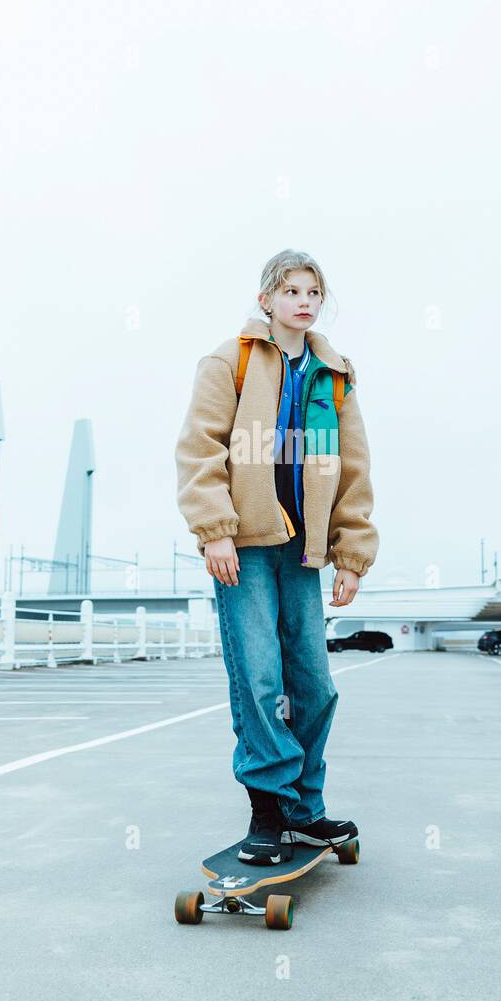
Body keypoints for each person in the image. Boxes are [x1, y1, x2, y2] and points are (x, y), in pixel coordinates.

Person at [174, 249, 379, 864]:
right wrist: (214, 530)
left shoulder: (333, 374)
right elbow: (200, 451)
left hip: (304, 550)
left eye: (313, 291)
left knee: (314, 684)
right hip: (243, 543)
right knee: (260, 677)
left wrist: (352, 553)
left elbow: (352, 470)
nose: (304, 301)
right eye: (291, 290)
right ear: (267, 298)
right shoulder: (231, 361)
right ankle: (268, 807)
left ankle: (303, 809)